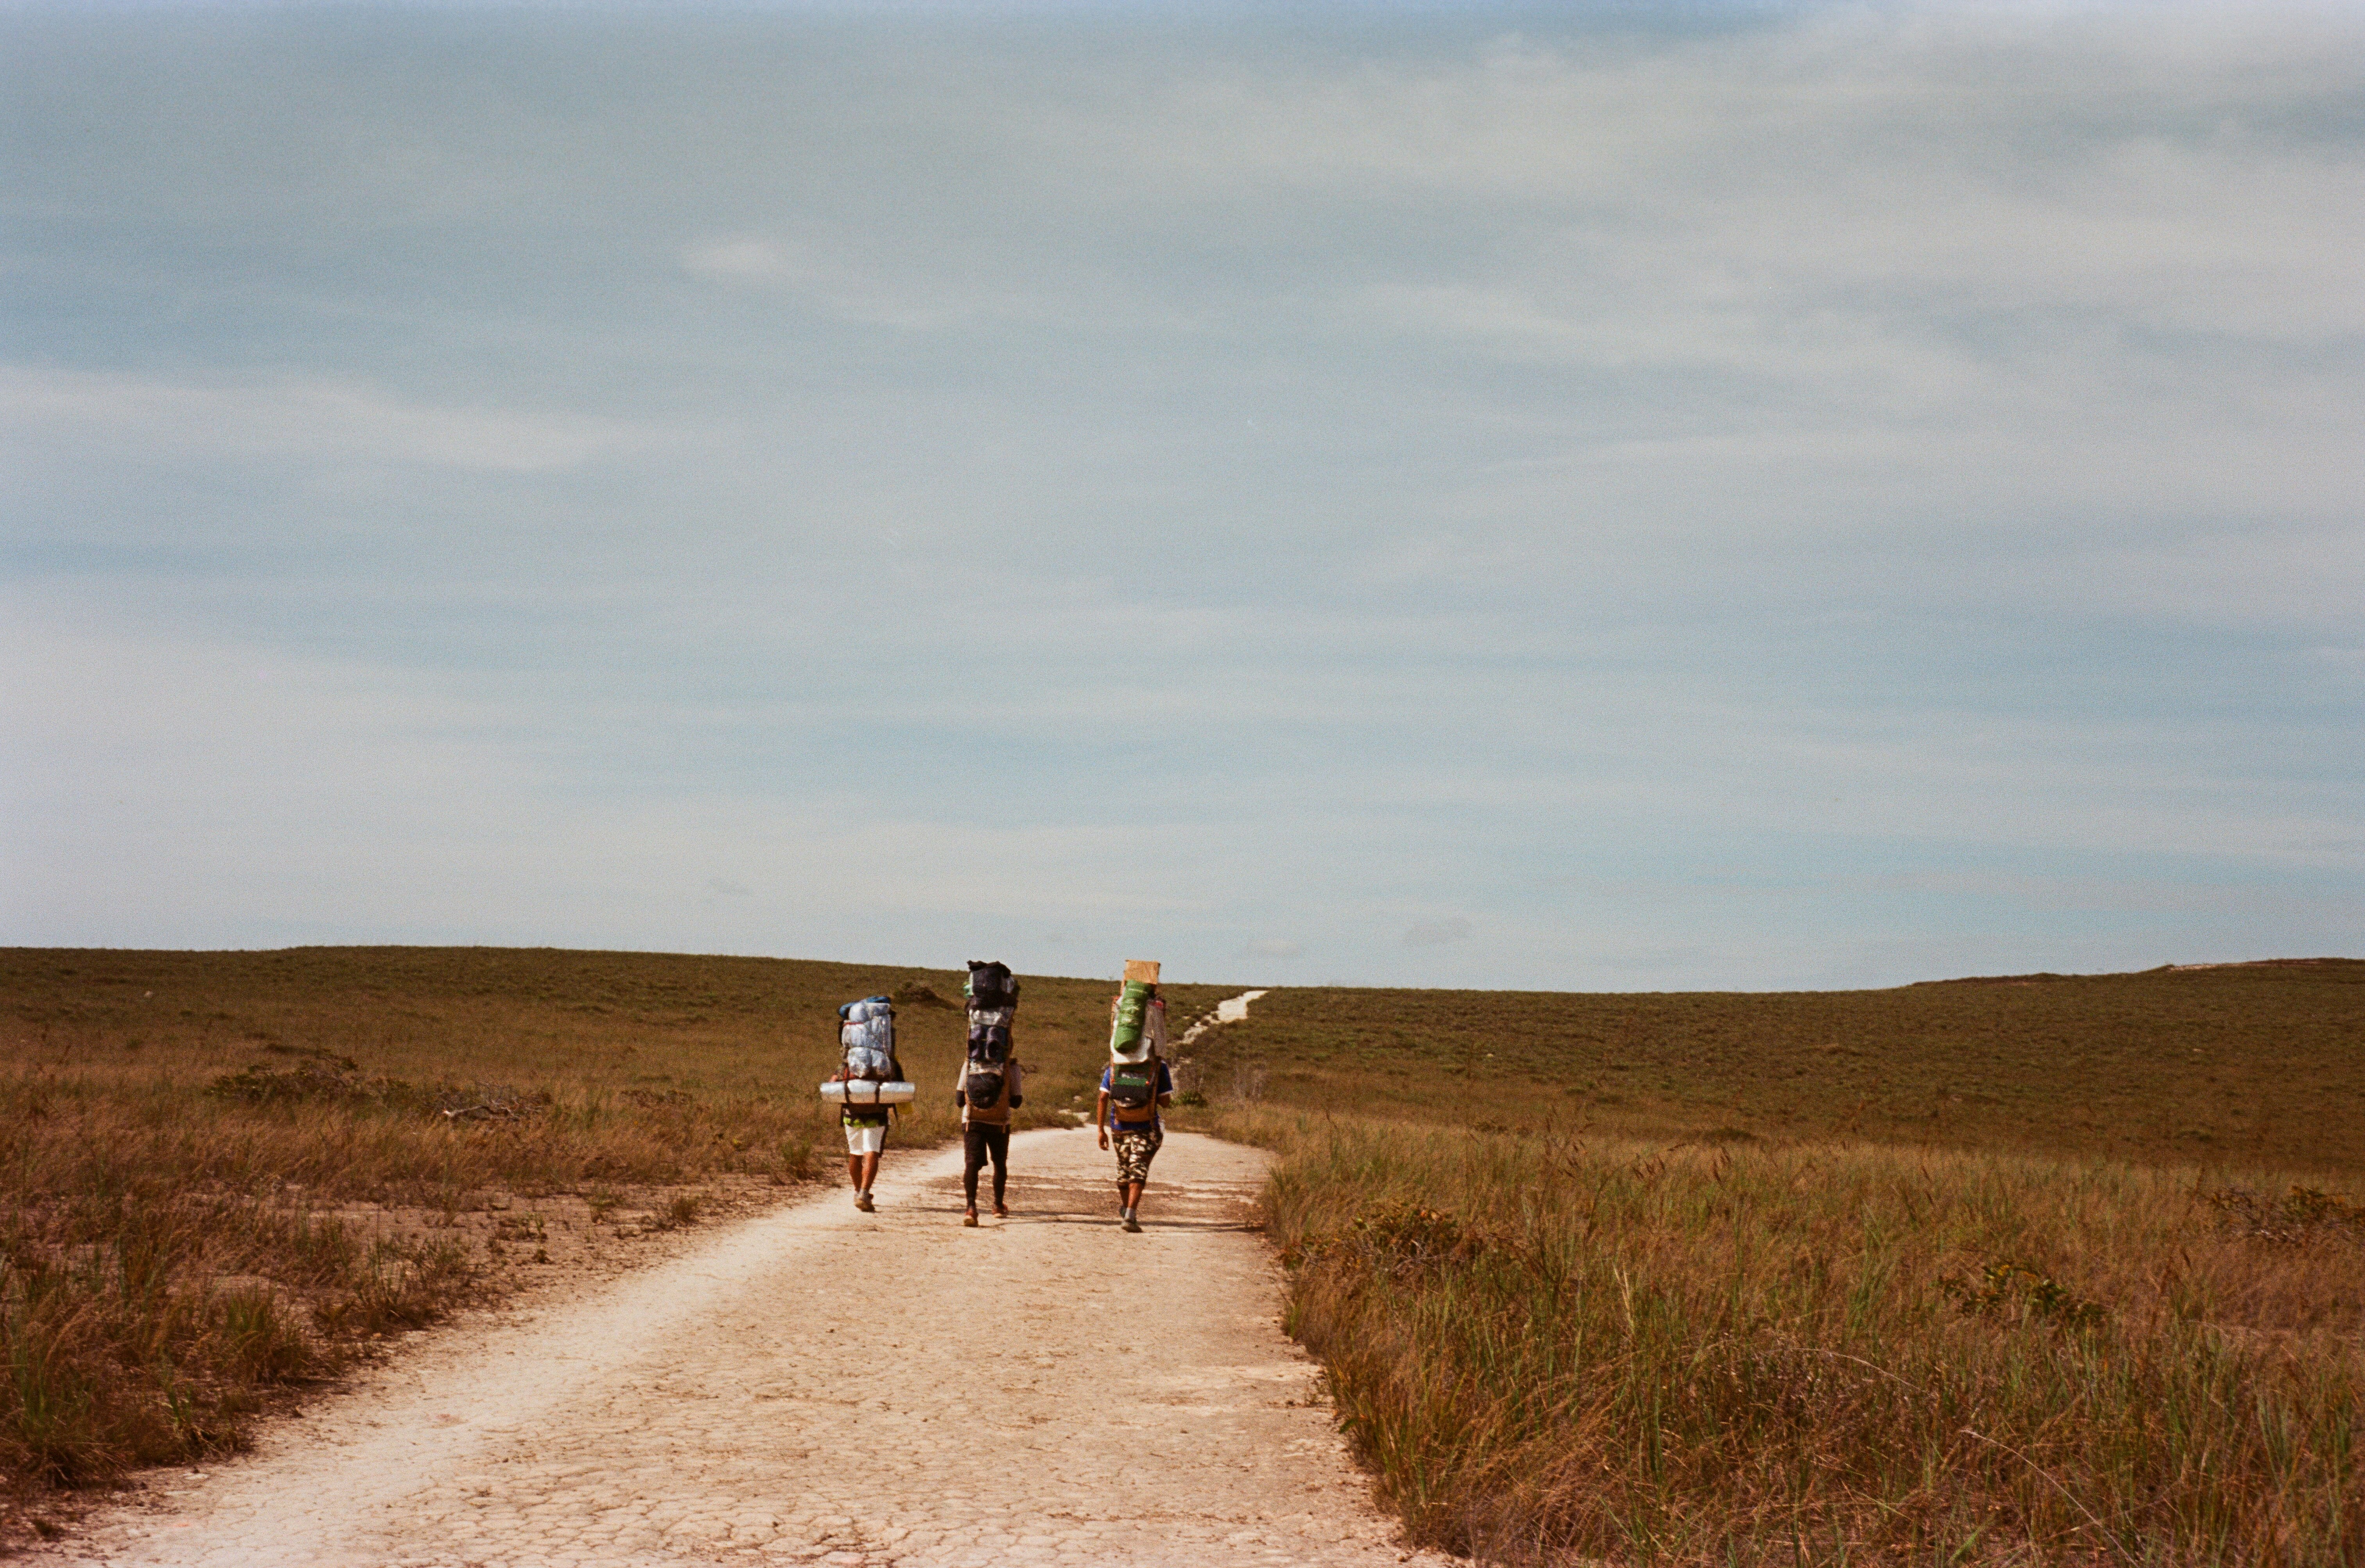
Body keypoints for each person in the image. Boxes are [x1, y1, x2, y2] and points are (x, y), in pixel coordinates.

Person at [1096, 965, 1171, 1233]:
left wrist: (1101, 1131)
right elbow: (1164, 1102)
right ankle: (1130, 1212)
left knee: (1125, 1171)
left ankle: (1128, 1211)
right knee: (1137, 1171)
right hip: (1145, 1126)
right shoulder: (1157, 1066)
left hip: (1118, 1125)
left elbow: (1103, 1098)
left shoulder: (1115, 1065)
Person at [834, 996, 904, 1213]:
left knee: (855, 1153)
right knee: (871, 1150)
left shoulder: (848, 1061)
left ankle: (858, 1191)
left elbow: (835, 1082)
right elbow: (899, 1087)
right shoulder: (887, 1061)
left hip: (850, 1110)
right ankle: (865, 1192)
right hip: (877, 1111)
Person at [952, 1052, 1023, 1226]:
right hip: (1000, 1123)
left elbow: (960, 1100)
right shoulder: (1011, 1067)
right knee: (999, 1163)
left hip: (972, 1121)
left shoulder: (970, 1063)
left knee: (971, 1164)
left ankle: (971, 1208)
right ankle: (998, 1206)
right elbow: (1016, 1102)